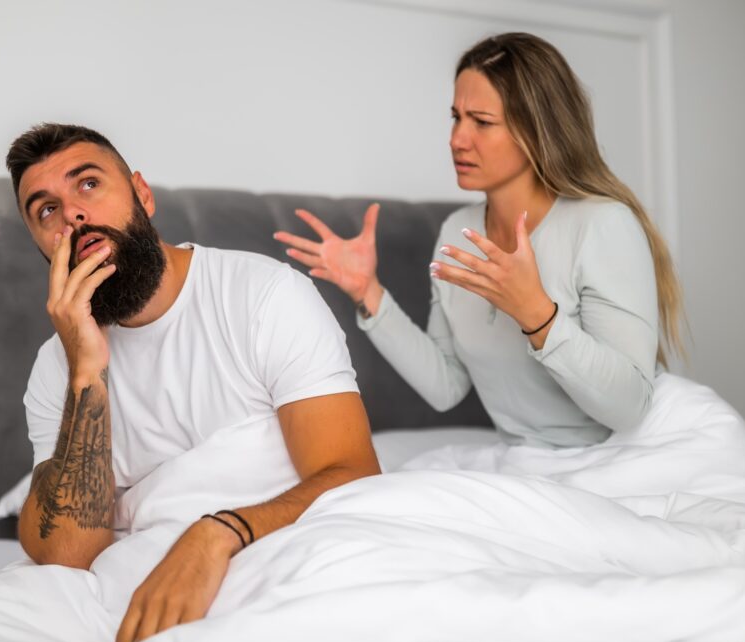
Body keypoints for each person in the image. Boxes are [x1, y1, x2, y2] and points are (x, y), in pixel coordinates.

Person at [0, 124, 381, 642]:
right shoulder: (55, 366)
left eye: (88, 184)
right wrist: (86, 368)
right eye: (46, 211)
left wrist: (215, 532)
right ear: (40, 244)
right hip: (126, 572)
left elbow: (353, 475)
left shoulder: (264, 296)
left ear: (142, 193)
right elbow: (68, 555)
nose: (73, 216)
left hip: (271, 546)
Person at [275, 32, 685, 449]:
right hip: (524, 463)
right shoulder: (458, 230)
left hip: (613, 458)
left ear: (538, 129)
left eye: (482, 122)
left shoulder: (603, 225)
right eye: (456, 117)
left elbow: (629, 408)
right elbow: (445, 386)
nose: (457, 139)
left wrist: (537, 315)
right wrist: (369, 293)